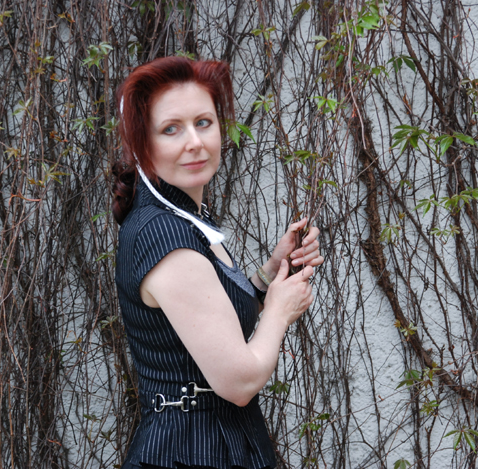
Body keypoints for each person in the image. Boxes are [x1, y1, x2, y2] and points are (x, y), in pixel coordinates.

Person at [112, 56, 323, 469]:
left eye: (203, 122)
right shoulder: (166, 235)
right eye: (171, 129)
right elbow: (238, 381)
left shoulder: (184, 217)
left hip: (211, 444)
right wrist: (279, 311)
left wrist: (269, 273)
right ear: (143, 144)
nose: (194, 141)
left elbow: (213, 321)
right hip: (190, 450)